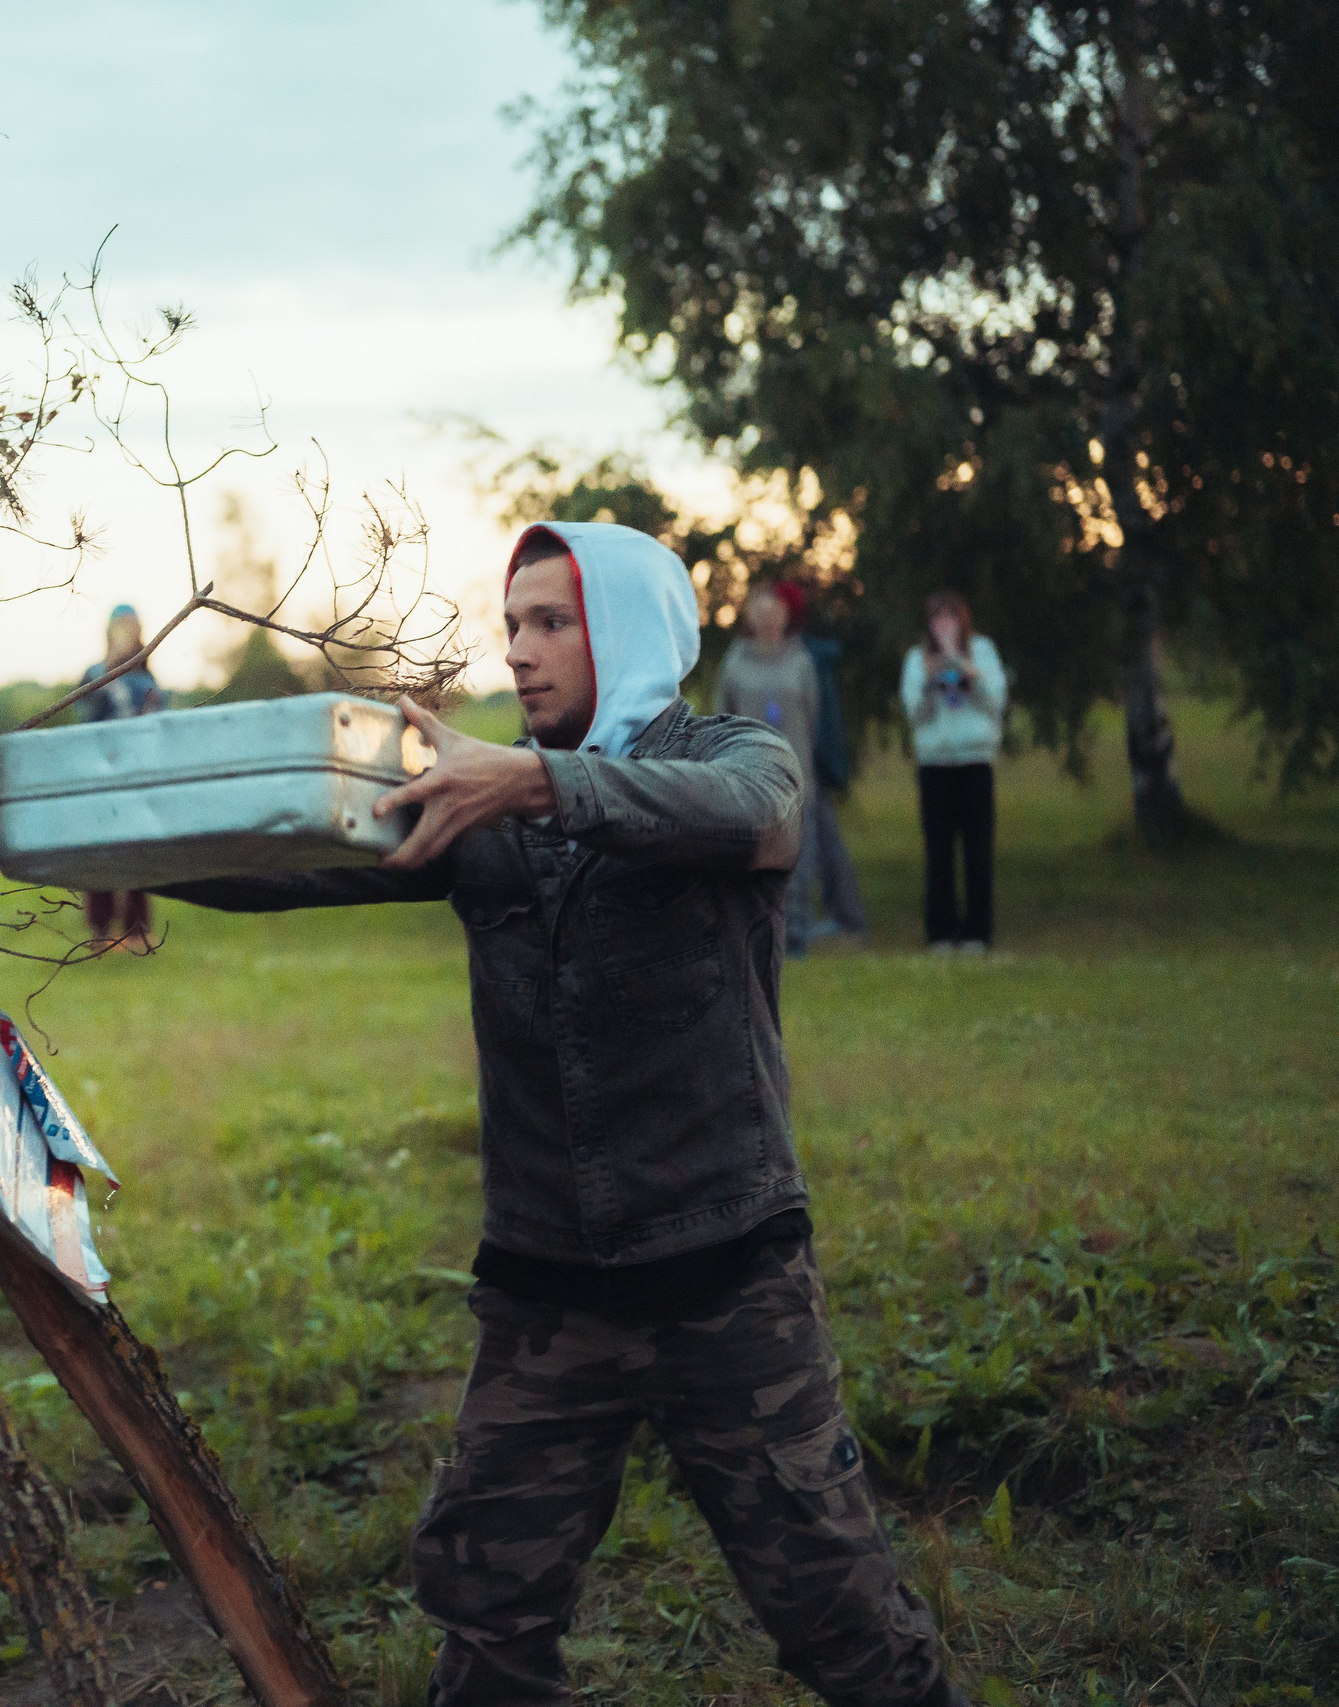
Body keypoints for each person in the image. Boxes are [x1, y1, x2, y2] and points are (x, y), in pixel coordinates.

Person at [159, 523, 965, 1707]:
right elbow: (293, 858)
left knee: (838, 1619)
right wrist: (127, 850)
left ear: (629, 630)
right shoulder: (474, 798)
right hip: (547, 1292)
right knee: (487, 1619)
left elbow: (758, 817)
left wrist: (534, 782)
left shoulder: (724, 752)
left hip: (725, 1279)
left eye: (554, 622)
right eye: (513, 627)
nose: (523, 654)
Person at [714, 579, 822, 956]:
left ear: (786, 617)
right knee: (750, 856)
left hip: (796, 775)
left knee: (798, 856)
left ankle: (796, 937)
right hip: (747, 775)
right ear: (750, 616)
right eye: (761, 611)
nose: (769, 619)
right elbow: (722, 715)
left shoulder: (801, 659)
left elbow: (812, 715)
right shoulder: (736, 659)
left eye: (775, 612)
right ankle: (752, 934)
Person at [899, 592, 1006, 953]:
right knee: (938, 851)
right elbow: (915, 714)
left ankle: (978, 931)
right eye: (937, 618)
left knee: (978, 849)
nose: (944, 625)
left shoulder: (983, 650)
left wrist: (964, 667)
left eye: (950, 618)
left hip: (975, 761)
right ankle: (941, 931)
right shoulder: (916, 659)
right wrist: (931, 680)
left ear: (962, 621)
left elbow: (996, 702)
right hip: (936, 764)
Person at [78, 604, 168, 952]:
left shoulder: (147, 680)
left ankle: (137, 928)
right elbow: (87, 714)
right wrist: (110, 671)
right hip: (100, 775)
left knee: (137, 852)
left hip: (137, 776)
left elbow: (157, 723)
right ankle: (100, 930)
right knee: (99, 852)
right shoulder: (95, 675)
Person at [791, 581, 870, 945]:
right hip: (805, 763)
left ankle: (844, 916)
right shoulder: (806, 656)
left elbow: (820, 719)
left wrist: (825, 762)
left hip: (811, 765)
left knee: (819, 839)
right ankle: (843, 914)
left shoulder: (806, 659)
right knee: (823, 839)